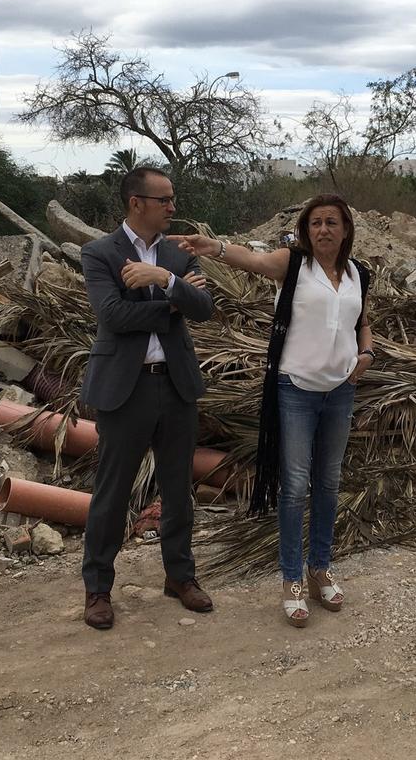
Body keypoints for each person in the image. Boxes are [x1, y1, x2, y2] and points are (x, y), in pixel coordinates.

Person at [171, 193, 373, 627]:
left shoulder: (358, 273)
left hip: (340, 392)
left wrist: (368, 354)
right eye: (315, 222)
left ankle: (320, 568)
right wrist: (214, 248)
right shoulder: (294, 265)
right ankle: (291, 579)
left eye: (331, 222)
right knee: (295, 484)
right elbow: (254, 260)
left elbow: (361, 322)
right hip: (296, 389)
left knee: (329, 481)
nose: (323, 229)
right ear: (306, 229)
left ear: (345, 229)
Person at [79, 166, 215, 630]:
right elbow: (113, 315)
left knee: (179, 489)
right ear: (136, 202)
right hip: (126, 387)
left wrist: (163, 279)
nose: (172, 207)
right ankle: (97, 588)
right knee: (112, 493)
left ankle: (180, 577)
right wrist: (174, 303)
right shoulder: (99, 252)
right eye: (164, 200)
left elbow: (207, 307)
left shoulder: (177, 253)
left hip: (176, 385)